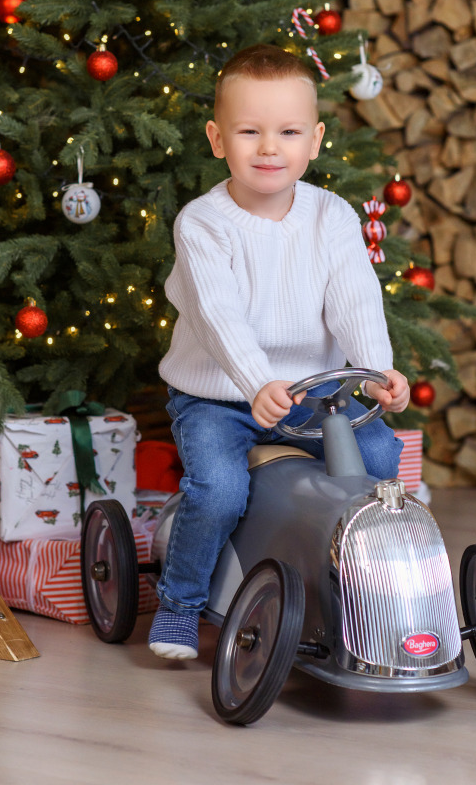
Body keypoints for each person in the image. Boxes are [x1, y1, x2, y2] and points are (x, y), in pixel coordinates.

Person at [149, 44, 410, 660]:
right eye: (249, 131)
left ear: (314, 140)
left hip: (313, 393)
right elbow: (218, 316)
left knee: (376, 458)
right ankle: (180, 606)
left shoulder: (331, 216)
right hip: (218, 395)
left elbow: (354, 296)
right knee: (218, 492)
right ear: (218, 139)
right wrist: (256, 381)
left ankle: (355, 596)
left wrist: (376, 369)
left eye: (288, 132)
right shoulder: (202, 223)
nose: (269, 148)